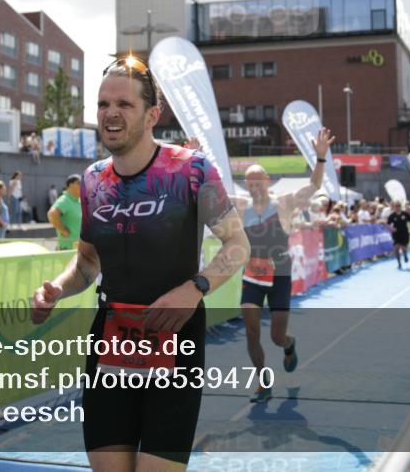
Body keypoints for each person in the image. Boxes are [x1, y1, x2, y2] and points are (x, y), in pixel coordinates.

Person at [30, 55, 250, 471]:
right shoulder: (93, 179)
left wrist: (195, 289)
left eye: (124, 104)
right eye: (102, 104)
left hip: (175, 336)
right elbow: (87, 264)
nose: (110, 113)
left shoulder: (191, 169)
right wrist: (58, 289)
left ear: (152, 114)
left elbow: (238, 244)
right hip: (112, 336)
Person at [234, 127, 335, 402]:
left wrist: (321, 158)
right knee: (252, 332)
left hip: (279, 274)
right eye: (250, 182)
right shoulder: (240, 206)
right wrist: (196, 156)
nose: (255, 186)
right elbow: (210, 191)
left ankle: (289, 345)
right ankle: (263, 382)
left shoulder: (284, 204)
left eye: (259, 181)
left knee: (277, 336)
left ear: (267, 181)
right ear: (246, 185)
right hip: (252, 276)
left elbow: (314, 186)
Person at [48, 175, 82, 251]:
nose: (82, 185)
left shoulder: (78, 201)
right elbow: (52, 214)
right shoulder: (65, 200)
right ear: (70, 185)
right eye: (79, 183)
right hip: (67, 248)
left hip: (78, 247)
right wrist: (63, 230)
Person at [387, 201, 410, 269]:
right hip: (396, 234)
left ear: (400, 207)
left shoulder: (405, 214)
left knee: (404, 247)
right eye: (396, 206)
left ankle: (405, 254)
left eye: (398, 206)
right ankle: (399, 263)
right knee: (396, 249)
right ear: (394, 207)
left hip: (404, 233)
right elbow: (388, 224)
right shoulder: (392, 216)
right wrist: (392, 229)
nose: (397, 207)